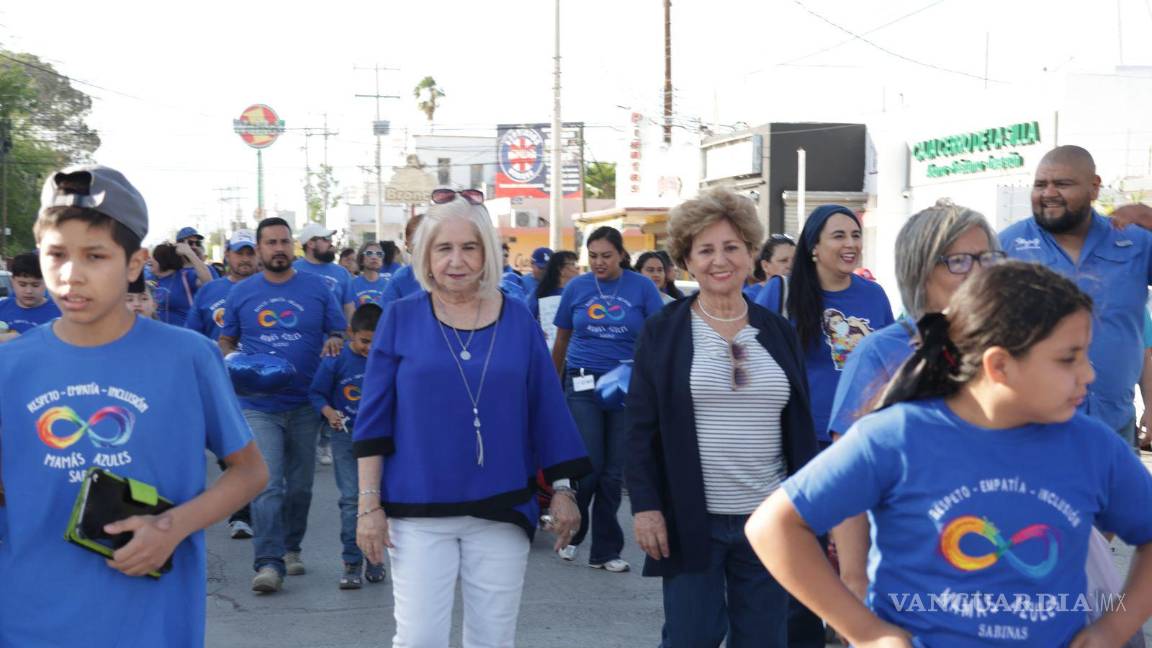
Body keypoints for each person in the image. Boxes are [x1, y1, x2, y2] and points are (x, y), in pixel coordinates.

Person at [746, 261, 1152, 647]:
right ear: (999, 366)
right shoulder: (896, 437)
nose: (1089, 373)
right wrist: (865, 630)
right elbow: (773, 527)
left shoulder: (1093, 447)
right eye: (1069, 358)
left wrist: (1113, 629)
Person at [0, 164, 267, 647]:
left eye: (95, 255)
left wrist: (170, 527)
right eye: (55, 254)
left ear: (134, 263)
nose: (71, 274)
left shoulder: (189, 356)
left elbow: (249, 472)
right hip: (25, 618)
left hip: (151, 623)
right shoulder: (8, 366)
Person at [353, 189, 591, 647]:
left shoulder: (518, 319)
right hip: (417, 511)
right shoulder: (400, 318)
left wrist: (563, 491)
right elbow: (373, 422)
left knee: (493, 639)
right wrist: (369, 508)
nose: (456, 260)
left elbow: (546, 408)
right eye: (444, 248)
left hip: (501, 508)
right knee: (420, 638)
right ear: (426, 255)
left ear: (486, 253)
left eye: (469, 247)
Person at [629, 187, 818, 647]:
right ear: (687, 261)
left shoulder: (777, 331)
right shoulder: (664, 330)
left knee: (765, 639)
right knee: (692, 637)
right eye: (706, 250)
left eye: (731, 247)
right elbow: (639, 429)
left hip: (769, 520)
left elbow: (798, 426)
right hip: (692, 517)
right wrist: (646, 508)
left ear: (752, 254)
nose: (720, 260)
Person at [824, 199, 1003, 606]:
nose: (977, 272)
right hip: (907, 577)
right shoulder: (882, 352)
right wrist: (854, 585)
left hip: (999, 568)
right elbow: (846, 478)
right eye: (959, 261)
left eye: (987, 258)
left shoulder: (1011, 346)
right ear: (920, 270)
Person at [220, 216, 347, 593]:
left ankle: (292, 547)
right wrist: (236, 365)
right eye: (270, 242)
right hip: (258, 404)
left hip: (306, 403)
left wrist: (335, 341)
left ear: (293, 246)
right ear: (259, 250)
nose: (278, 248)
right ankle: (268, 563)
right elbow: (226, 341)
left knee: (301, 488)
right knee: (268, 484)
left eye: (283, 241)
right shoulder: (242, 293)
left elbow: (337, 329)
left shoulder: (318, 288)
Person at [1001, 145, 1152, 448]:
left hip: (1115, 428)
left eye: (1063, 184)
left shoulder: (1135, 241)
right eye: (1041, 184)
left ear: (1094, 187)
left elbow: (1145, 344)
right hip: (1031, 429)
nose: (1049, 193)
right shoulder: (1007, 246)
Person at [552, 225, 665, 571]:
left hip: (626, 386)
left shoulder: (642, 287)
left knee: (614, 472)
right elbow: (561, 341)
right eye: (593, 256)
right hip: (582, 383)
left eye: (606, 256)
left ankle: (606, 551)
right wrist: (551, 386)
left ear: (621, 255)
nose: (599, 263)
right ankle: (572, 534)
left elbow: (658, 338)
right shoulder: (577, 287)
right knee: (591, 466)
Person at [755, 204, 893, 445]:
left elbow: (889, 364)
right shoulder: (782, 291)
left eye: (856, 235)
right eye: (839, 236)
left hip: (862, 436)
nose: (850, 243)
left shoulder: (874, 294)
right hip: (801, 437)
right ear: (814, 247)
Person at [309, 302, 386, 589]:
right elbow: (317, 393)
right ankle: (351, 560)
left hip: (379, 440)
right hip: (345, 438)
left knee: (379, 499)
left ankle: (375, 556)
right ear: (350, 334)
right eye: (365, 341)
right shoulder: (336, 361)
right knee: (352, 499)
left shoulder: (387, 360)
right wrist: (328, 413)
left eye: (376, 342)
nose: (370, 348)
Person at [186, 229, 258, 341]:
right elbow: (192, 337)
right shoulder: (208, 290)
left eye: (250, 253)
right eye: (239, 253)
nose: (245, 259)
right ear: (227, 255)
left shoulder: (269, 289)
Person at [294, 222, 355, 321]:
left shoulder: (342, 273)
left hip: (336, 336)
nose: (331, 243)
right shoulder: (292, 270)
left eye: (330, 239)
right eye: (326, 239)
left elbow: (349, 309)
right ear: (311, 243)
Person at [0, 251, 61, 342]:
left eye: (35, 285)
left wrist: (21, 340)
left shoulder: (59, 313)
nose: (29, 291)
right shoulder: (2, 307)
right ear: (12, 282)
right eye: (22, 284)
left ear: (46, 282)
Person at [150, 239, 212, 327]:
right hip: (160, 335)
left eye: (154, 257)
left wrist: (189, 253)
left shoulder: (185, 276)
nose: (150, 260)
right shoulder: (152, 279)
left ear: (162, 260)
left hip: (184, 335)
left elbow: (208, 282)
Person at [528, 250, 580, 347]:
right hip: (546, 347)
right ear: (561, 269)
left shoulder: (579, 293)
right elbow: (527, 319)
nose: (577, 268)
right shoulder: (540, 293)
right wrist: (537, 331)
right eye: (573, 264)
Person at [378, 213, 425, 304]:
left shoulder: (449, 275)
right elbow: (384, 315)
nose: (423, 246)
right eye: (417, 241)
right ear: (407, 245)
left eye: (428, 239)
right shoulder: (400, 279)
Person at [349, 241, 389, 306]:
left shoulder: (389, 286)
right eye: (369, 253)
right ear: (361, 260)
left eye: (379, 254)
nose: (374, 257)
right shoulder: (351, 285)